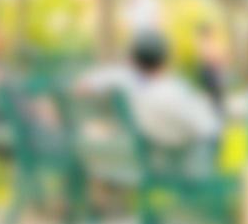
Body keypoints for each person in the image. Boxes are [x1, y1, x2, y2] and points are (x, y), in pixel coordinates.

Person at [79, 30, 221, 151]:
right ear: (165, 59)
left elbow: (82, 87)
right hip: (187, 166)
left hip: (150, 158)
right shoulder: (170, 92)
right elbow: (208, 129)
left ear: (133, 60)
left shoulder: (126, 87)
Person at [192, 22, 228, 115]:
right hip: (210, 71)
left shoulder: (206, 43)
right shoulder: (206, 43)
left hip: (212, 71)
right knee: (214, 96)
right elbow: (211, 57)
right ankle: (217, 114)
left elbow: (219, 57)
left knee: (216, 95)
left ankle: (217, 113)